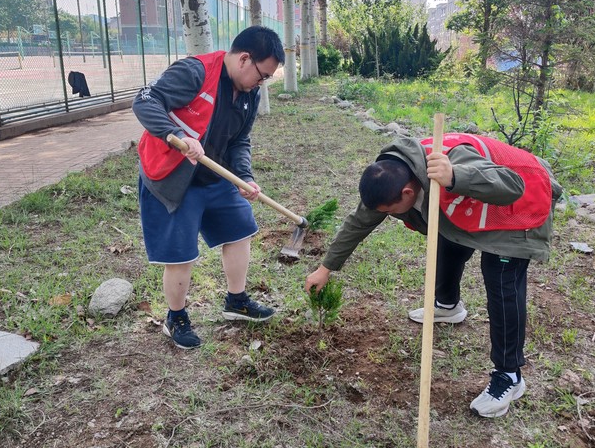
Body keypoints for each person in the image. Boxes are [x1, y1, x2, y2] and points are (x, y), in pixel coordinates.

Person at [305, 133, 562, 417]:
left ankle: (509, 376)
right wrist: (325, 268)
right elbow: (359, 222)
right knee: (447, 241)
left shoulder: (454, 161)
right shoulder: (393, 176)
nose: (386, 215)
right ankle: (448, 306)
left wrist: (455, 177)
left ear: (406, 194)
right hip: (475, 207)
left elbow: (513, 186)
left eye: (389, 212)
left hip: (520, 208)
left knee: (500, 279)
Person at [134, 26, 284, 350]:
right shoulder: (195, 71)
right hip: (174, 176)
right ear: (245, 59)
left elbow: (240, 140)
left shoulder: (249, 94)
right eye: (263, 75)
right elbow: (145, 101)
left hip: (215, 175)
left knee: (240, 228)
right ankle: (176, 317)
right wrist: (177, 134)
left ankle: (236, 300)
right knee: (181, 254)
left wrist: (244, 175)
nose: (263, 83)